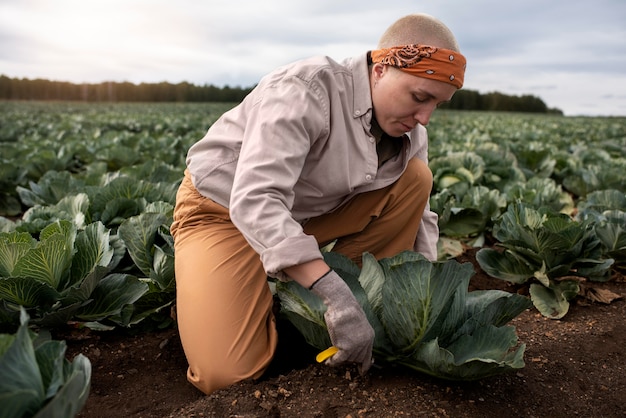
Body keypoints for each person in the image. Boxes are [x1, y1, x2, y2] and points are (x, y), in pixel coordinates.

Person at [170, 12, 466, 395]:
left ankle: (340, 310)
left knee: (415, 180)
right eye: (419, 97)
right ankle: (216, 296)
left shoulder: (408, 131)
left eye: (436, 105)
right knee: (225, 377)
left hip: (304, 214)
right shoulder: (305, 88)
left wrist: (426, 290)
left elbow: (420, 216)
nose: (424, 117)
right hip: (223, 212)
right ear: (380, 69)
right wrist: (336, 295)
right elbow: (256, 198)